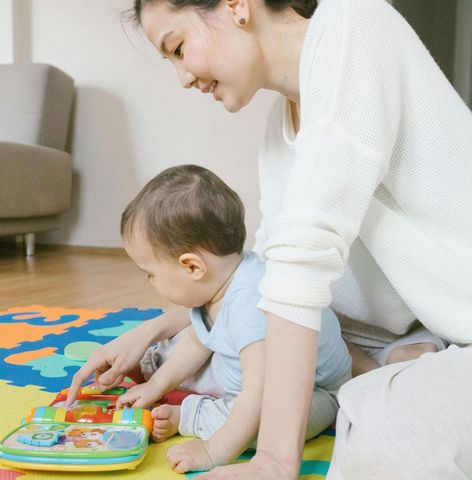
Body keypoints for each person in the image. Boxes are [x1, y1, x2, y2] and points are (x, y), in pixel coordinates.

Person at [68, 0, 472, 478]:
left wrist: (275, 462)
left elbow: (300, 265)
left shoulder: (355, 26)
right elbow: (254, 281)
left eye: (178, 48)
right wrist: (149, 332)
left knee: (383, 441)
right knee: (201, 361)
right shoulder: (279, 131)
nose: (183, 78)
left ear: (238, 5)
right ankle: (386, 364)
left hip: (456, 328)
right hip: (379, 332)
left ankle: (385, 372)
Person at [114, 164, 352, 472]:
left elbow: (259, 390)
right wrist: (156, 386)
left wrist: (214, 450)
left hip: (315, 392)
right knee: (188, 353)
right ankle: (160, 371)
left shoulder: (250, 302)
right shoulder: (215, 288)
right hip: (253, 373)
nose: (150, 282)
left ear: (192, 267)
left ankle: (190, 417)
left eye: (151, 274)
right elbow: (197, 342)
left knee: (262, 419)